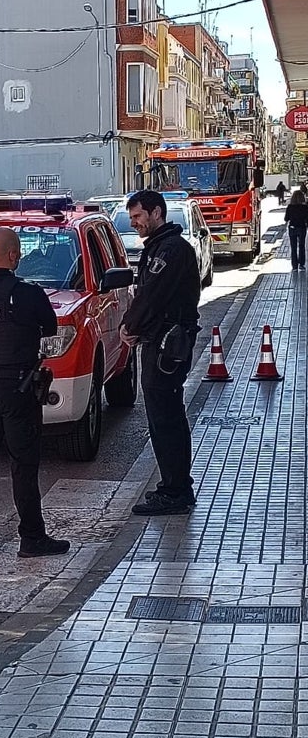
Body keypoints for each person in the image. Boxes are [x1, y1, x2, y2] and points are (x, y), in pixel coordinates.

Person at [0, 228, 69, 558]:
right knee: (23, 463)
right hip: (17, 388)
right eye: (18, 252)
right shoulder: (27, 293)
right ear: (12, 256)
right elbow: (49, 326)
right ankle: (32, 537)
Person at [121, 190, 201, 516]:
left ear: (156, 213)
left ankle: (174, 491)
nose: (135, 224)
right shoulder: (165, 247)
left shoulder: (168, 250)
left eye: (138, 217)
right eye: (132, 219)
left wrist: (129, 327)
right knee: (167, 415)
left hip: (166, 344)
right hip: (165, 341)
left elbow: (150, 297)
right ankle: (177, 485)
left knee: (164, 418)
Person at [285, 189, 308, 269]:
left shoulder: (290, 207)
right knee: (302, 246)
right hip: (302, 227)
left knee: (293, 247)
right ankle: (301, 264)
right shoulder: (305, 207)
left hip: (292, 228)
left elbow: (286, 218)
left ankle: (294, 265)